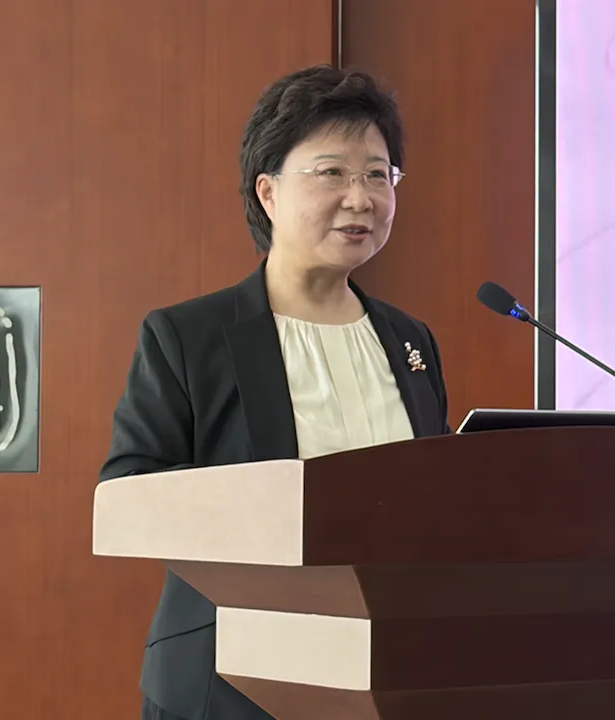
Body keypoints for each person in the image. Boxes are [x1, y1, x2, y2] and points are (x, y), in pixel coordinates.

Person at [99, 64, 450, 720]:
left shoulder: (411, 341)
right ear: (268, 191)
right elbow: (129, 492)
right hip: (231, 680)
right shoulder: (189, 336)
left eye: (379, 175)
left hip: (386, 672)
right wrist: (287, 513)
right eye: (332, 173)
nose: (361, 198)